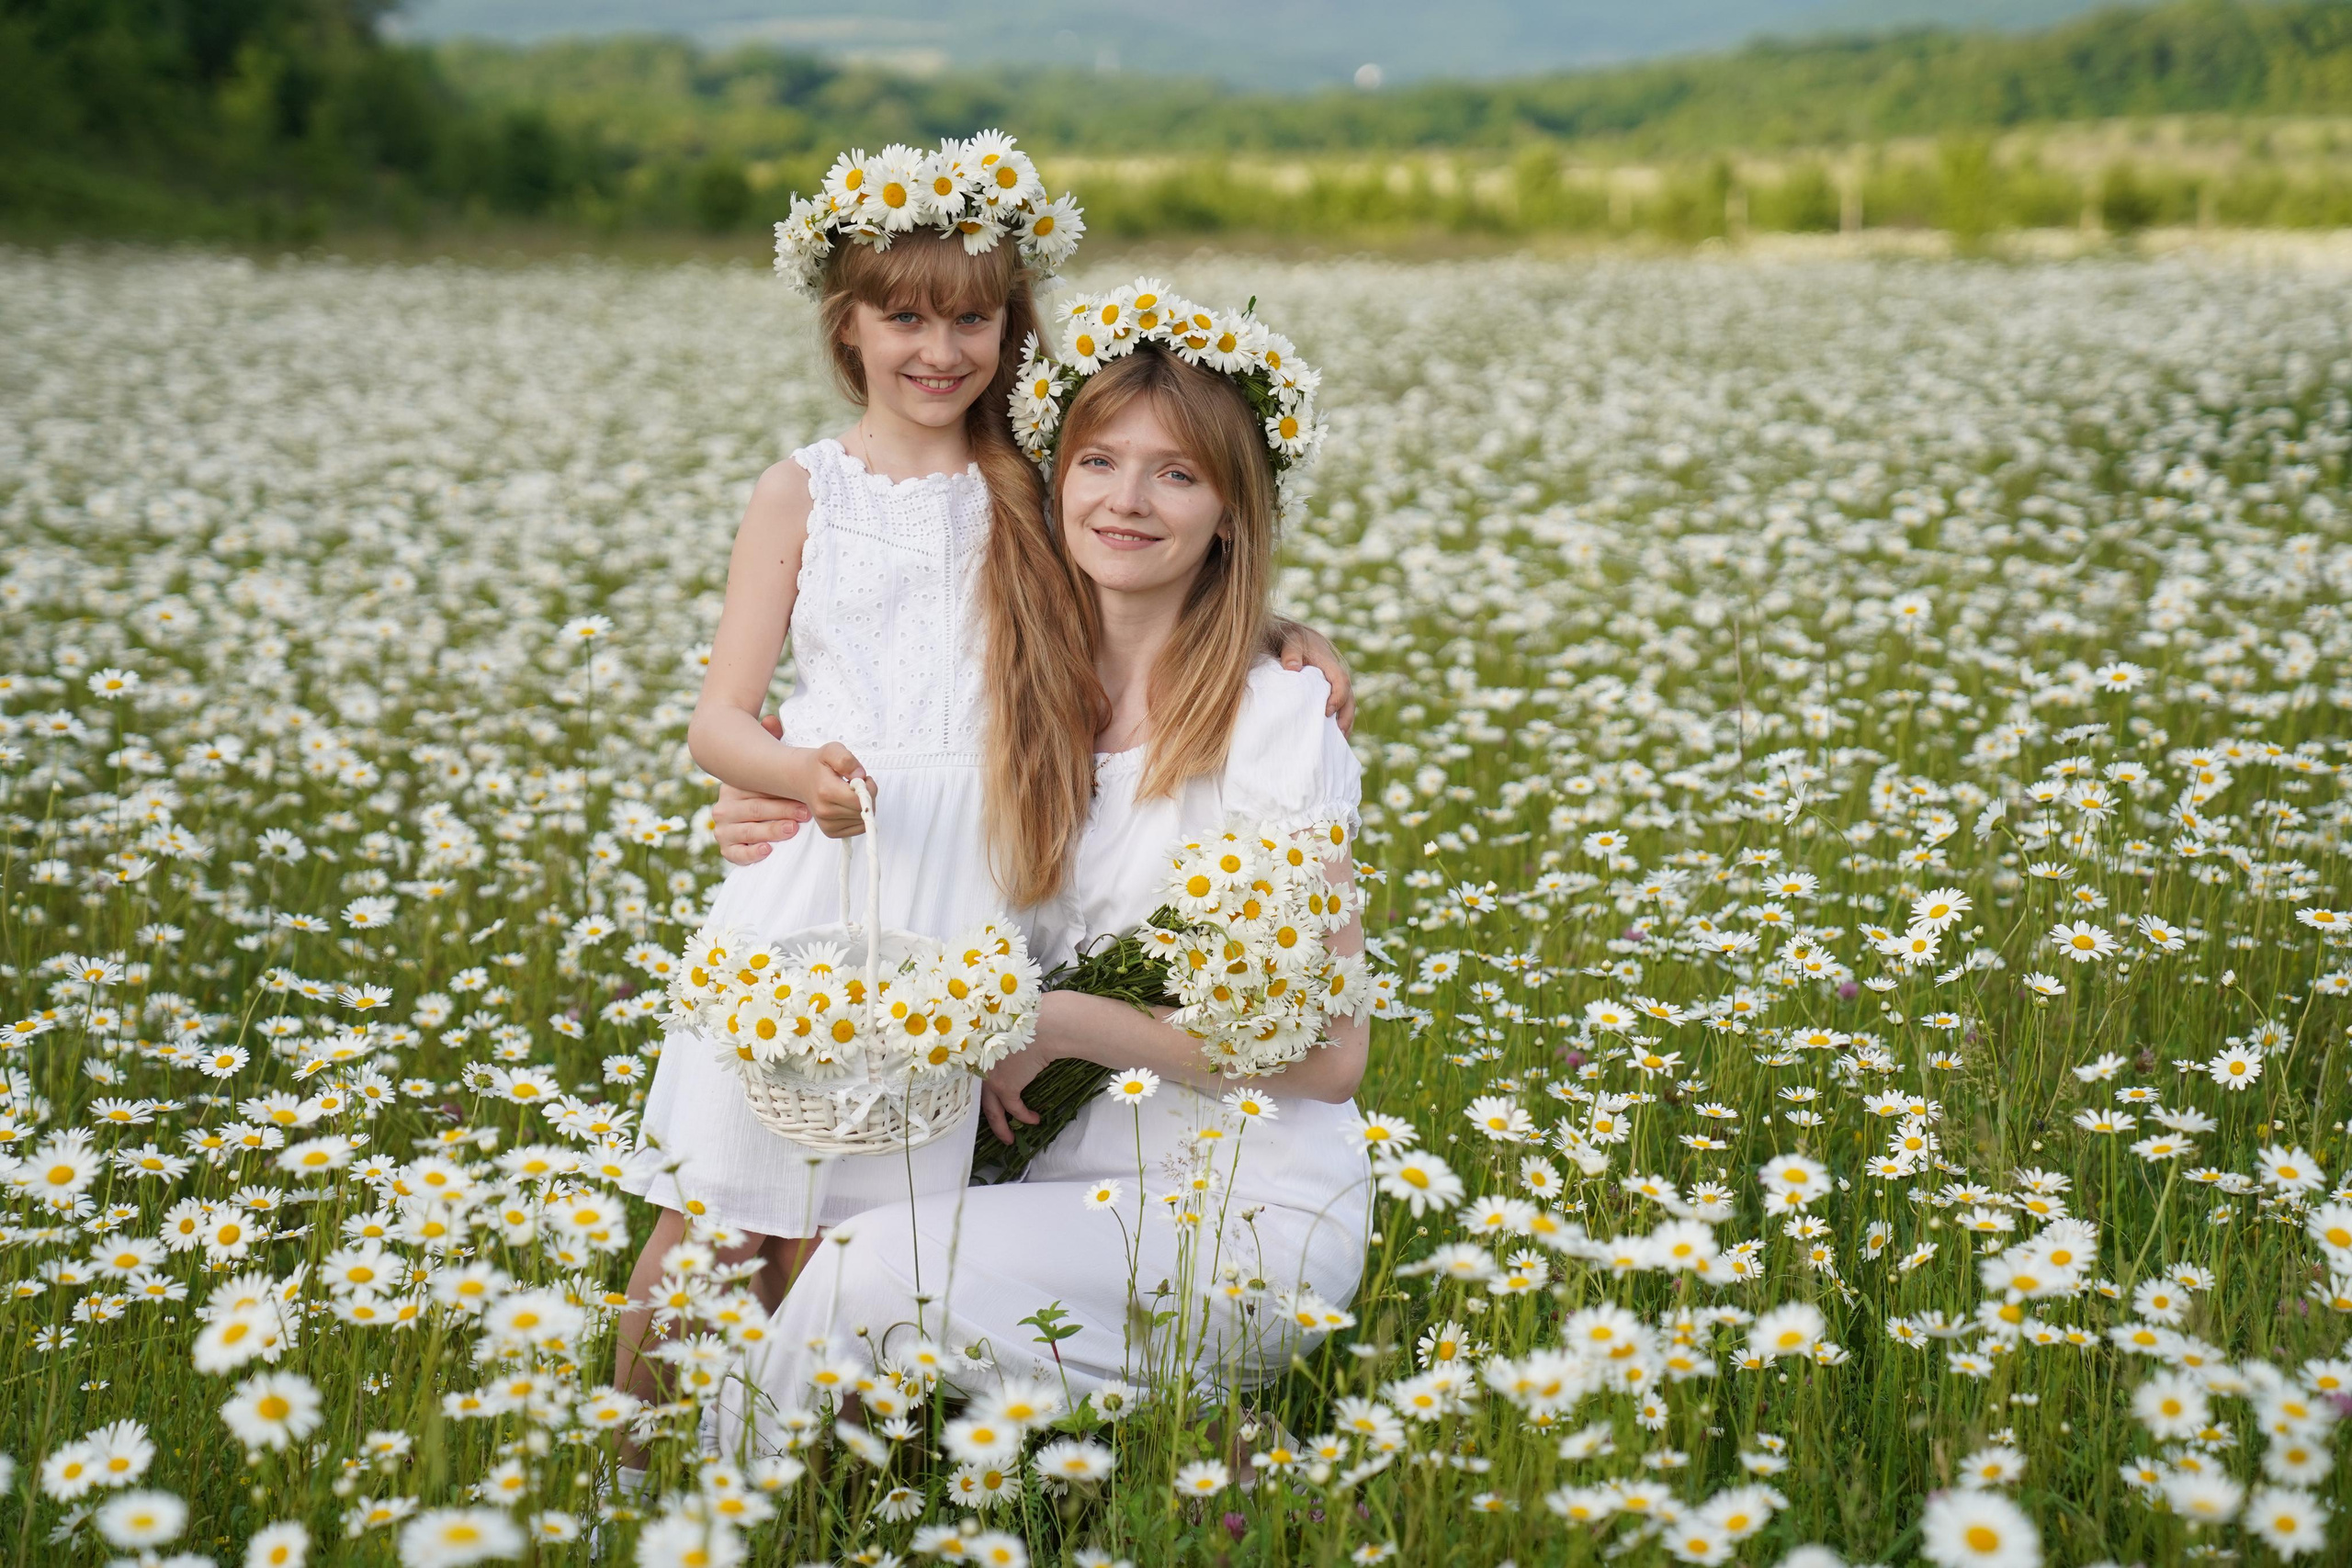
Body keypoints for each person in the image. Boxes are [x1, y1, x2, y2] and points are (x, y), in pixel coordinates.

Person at [615, 142, 1354, 1474]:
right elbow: (733, 716)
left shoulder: (1018, 483)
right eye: (903, 313)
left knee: (872, 1211)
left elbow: (1138, 567)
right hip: (828, 882)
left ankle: (772, 1478)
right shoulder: (820, 488)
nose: (938, 346)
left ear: (1015, 330)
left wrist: (1277, 635)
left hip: (969, 914)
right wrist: (772, 788)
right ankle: (643, 1472)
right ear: (842, 321)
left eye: (973, 317)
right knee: (729, 1205)